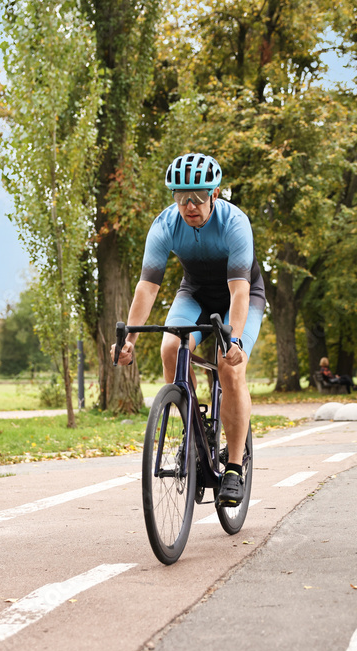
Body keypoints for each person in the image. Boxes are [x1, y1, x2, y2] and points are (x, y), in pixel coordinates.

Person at [111, 153, 265, 506]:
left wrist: (235, 340)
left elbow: (239, 289)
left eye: (196, 197)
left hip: (240, 295)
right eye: (181, 198)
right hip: (195, 293)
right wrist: (129, 340)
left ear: (215, 193)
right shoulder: (165, 225)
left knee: (230, 367)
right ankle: (193, 434)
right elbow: (147, 287)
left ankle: (234, 468)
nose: (189, 205)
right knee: (170, 348)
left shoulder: (234, 222)